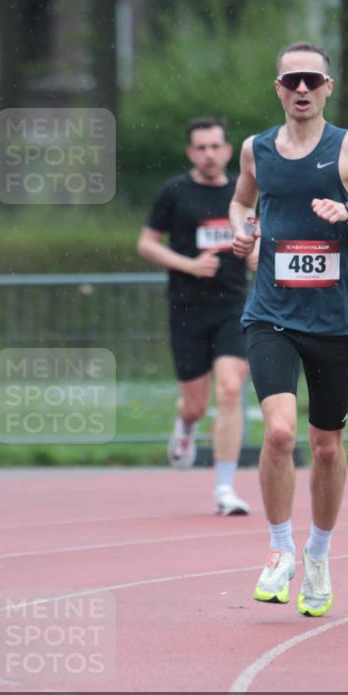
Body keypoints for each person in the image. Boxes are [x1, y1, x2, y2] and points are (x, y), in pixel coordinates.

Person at [230, 41, 348, 616]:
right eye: (291, 80)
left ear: (328, 88)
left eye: (311, 80)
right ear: (277, 88)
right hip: (270, 313)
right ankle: (280, 551)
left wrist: (345, 213)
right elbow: (240, 203)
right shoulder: (256, 149)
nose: (301, 89)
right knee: (278, 434)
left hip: (333, 320)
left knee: (326, 448)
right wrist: (243, 232)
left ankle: (318, 555)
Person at [137, 117, 256, 516]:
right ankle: (186, 425)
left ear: (227, 150)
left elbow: (257, 243)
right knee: (195, 405)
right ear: (191, 152)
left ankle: (224, 489)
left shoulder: (243, 192)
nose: (208, 154)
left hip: (233, 307)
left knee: (230, 389)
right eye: (200, 147)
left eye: (215, 146)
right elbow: (147, 244)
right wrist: (188, 264)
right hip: (187, 309)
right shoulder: (174, 192)